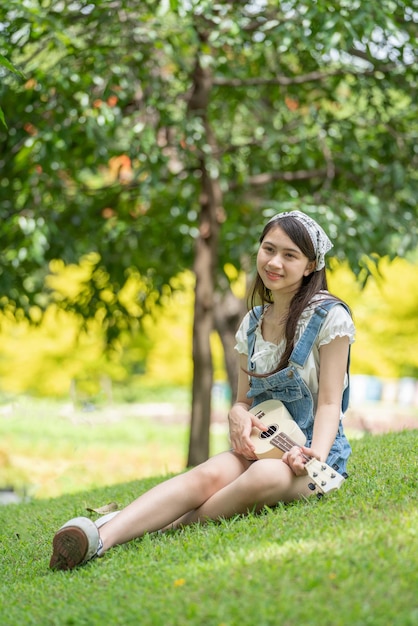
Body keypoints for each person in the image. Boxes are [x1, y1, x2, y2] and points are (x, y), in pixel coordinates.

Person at [49, 210, 355, 571]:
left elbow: (330, 401)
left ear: (309, 266)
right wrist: (237, 414)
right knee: (206, 475)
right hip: (261, 445)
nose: (274, 262)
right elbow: (244, 401)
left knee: (264, 476)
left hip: (315, 457)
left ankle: (166, 528)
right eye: (268, 249)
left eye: (289, 255)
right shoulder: (253, 323)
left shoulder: (330, 317)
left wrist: (312, 455)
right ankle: (102, 539)